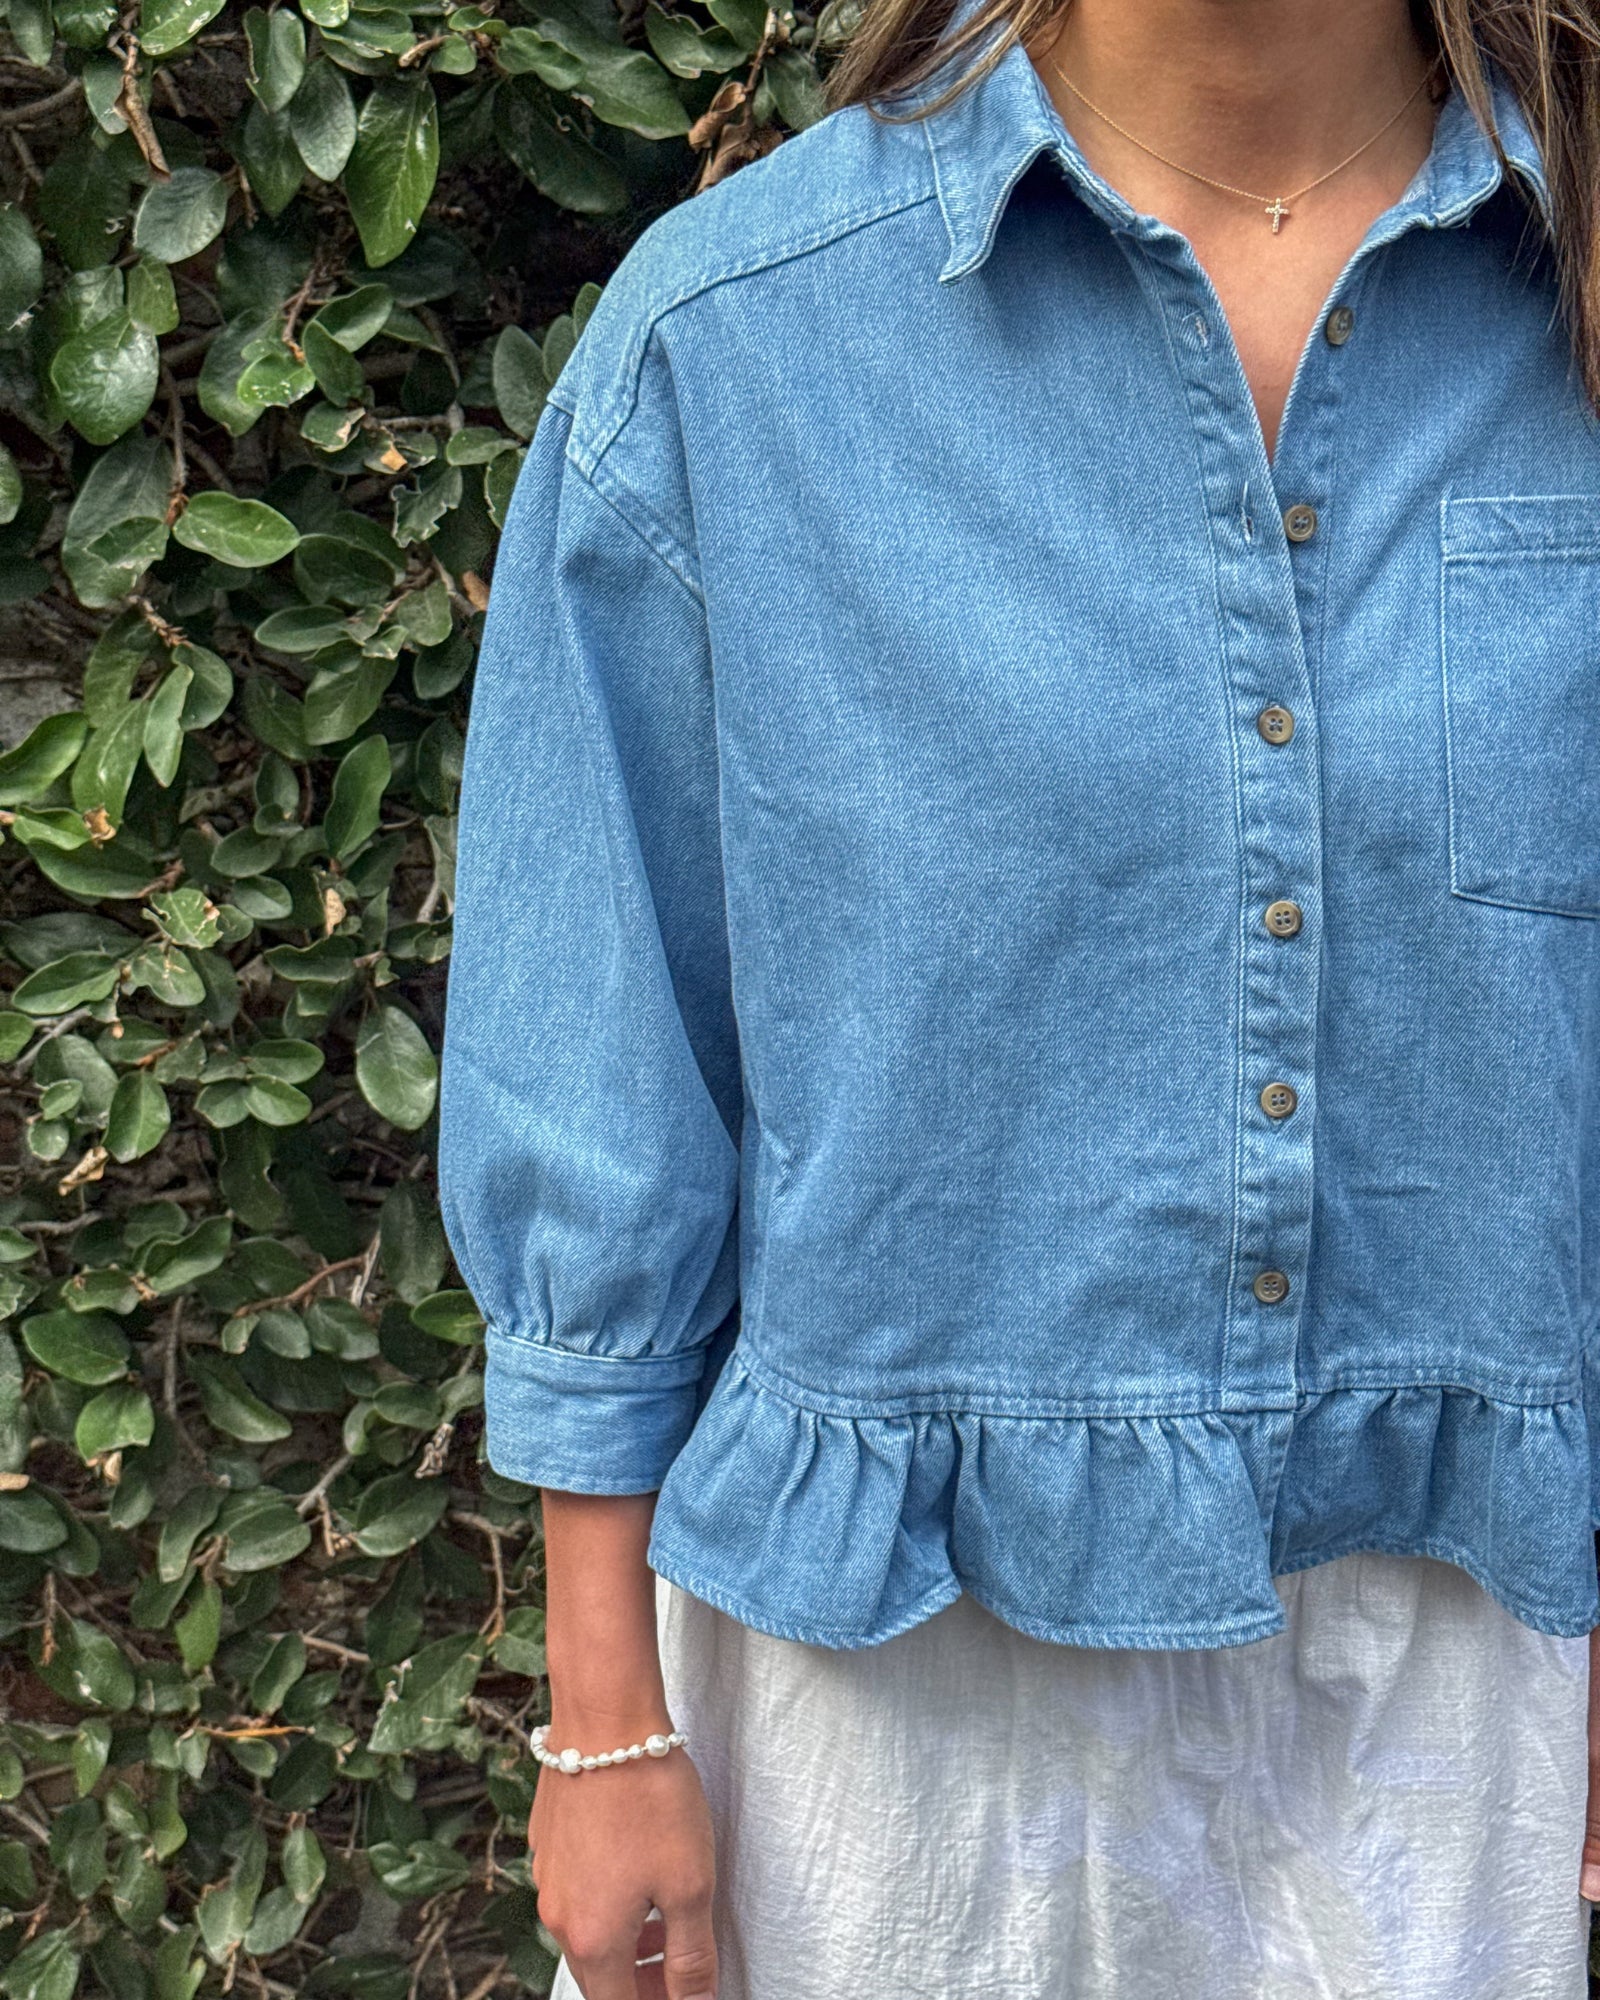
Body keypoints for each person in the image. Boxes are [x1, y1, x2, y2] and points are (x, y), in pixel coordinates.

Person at [438, 0, 1600, 1991]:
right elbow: (602, 1077)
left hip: (1460, 1664)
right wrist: (603, 1715)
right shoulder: (734, 350)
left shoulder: (1566, 308)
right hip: (889, 1710)